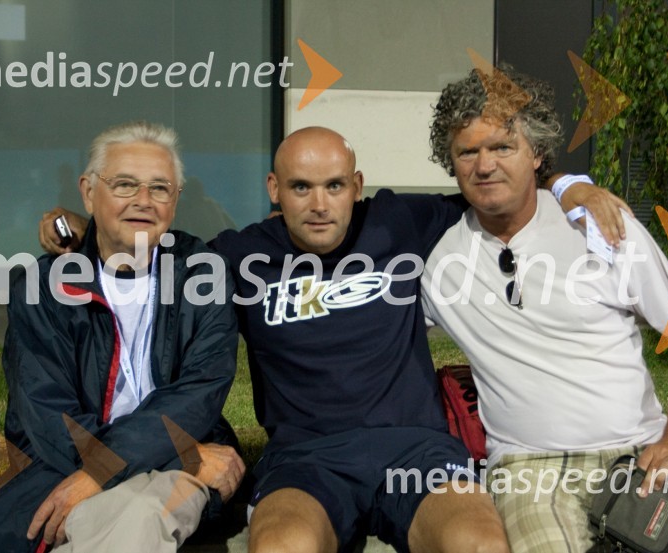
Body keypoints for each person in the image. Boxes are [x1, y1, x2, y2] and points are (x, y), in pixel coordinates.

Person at [37, 126, 626, 553]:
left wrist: (570, 184)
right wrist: (79, 226)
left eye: (335, 185)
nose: (319, 205)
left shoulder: (398, 221)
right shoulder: (239, 257)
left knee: (478, 547)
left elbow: (498, 185)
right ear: (274, 188)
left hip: (414, 453)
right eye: (300, 187)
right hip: (306, 459)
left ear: (358, 184)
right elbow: (146, 238)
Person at [422, 67, 668, 552]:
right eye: (468, 151)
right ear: (452, 161)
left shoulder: (599, 225)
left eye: (503, 147)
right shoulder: (439, 258)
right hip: (532, 471)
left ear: (537, 155)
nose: (485, 165)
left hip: (647, 446)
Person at [0, 121, 245, 553]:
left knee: (140, 521)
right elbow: (50, 416)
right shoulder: (44, 287)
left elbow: (198, 394)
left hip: (173, 466)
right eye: (125, 185)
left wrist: (102, 471)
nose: (143, 201)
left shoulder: (204, 274)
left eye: (160, 188)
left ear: (176, 200)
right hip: (84, 461)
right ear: (88, 193)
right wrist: (113, 468)